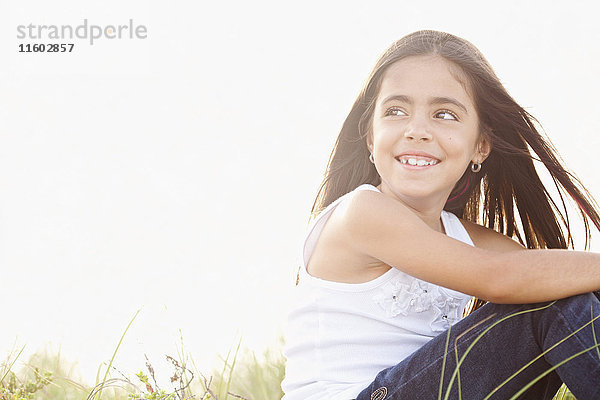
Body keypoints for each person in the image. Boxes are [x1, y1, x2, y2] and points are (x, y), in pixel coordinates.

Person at [280, 30, 600, 400]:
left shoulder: (474, 242)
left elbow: (546, 277)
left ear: (481, 145)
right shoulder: (361, 213)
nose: (417, 130)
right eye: (396, 111)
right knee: (545, 302)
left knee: (560, 291)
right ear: (370, 137)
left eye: (444, 114)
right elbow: (501, 278)